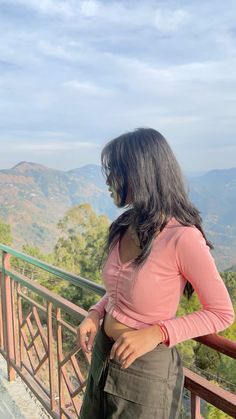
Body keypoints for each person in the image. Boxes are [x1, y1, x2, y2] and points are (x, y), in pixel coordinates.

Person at [78, 128, 235, 419]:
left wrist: (157, 333)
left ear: (140, 174)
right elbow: (118, 290)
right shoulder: (125, 225)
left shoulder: (182, 238)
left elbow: (222, 313)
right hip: (103, 354)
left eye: (115, 170)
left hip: (144, 371)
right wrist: (96, 312)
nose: (109, 180)